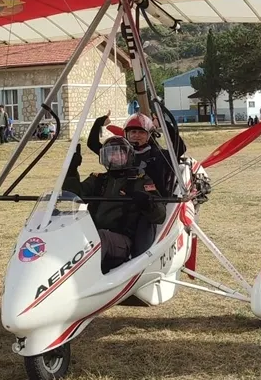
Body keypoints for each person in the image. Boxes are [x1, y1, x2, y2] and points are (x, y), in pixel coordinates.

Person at [63, 138, 166, 273]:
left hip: (123, 241)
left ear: (128, 156)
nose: (115, 157)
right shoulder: (98, 180)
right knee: (67, 233)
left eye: (119, 153)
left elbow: (160, 216)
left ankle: (78, 276)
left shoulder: (141, 181)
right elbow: (73, 194)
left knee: (101, 237)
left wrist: (146, 202)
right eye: (110, 153)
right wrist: (71, 170)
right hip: (93, 238)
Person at [87, 110, 185, 195]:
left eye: (141, 132)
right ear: (126, 134)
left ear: (149, 135)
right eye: (133, 132)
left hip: (154, 203)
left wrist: (164, 124)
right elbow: (93, 144)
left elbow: (180, 148)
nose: (136, 135)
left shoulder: (158, 155)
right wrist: (98, 123)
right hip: (124, 201)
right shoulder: (119, 154)